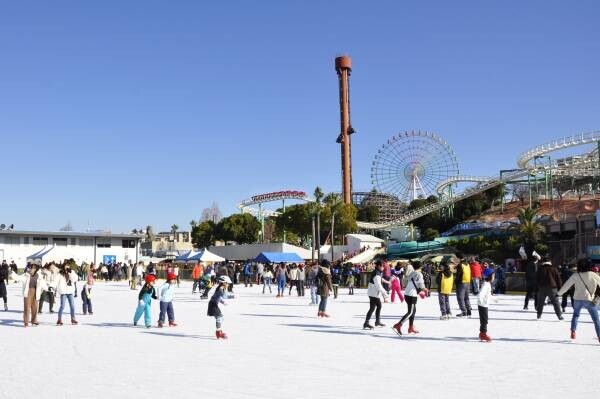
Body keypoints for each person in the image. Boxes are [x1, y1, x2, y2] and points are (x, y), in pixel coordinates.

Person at [557, 259, 600, 342]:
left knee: (576, 315)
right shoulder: (593, 275)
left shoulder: (576, 275)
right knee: (596, 319)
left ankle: (573, 330)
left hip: (577, 299)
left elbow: (566, 285)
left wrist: (559, 293)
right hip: (589, 299)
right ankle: (599, 336)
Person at [392, 262, 428, 335]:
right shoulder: (419, 274)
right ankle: (398, 325)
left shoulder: (412, 273)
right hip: (412, 295)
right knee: (410, 312)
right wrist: (425, 289)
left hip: (407, 294)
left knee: (413, 311)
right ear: (420, 267)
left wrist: (420, 291)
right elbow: (421, 284)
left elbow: (414, 283)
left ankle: (410, 327)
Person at [11, 262, 47, 326]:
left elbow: (43, 283)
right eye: (30, 268)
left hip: (36, 292)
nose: (31, 269)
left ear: (36, 269)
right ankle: (26, 321)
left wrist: (47, 288)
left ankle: (34, 320)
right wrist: (12, 273)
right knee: (27, 307)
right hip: (28, 292)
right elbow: (18, 278)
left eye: (33, 268)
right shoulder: (26, 275)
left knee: (35, 307)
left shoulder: (39, 276)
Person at [363, 260, 389, 329]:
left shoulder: (377, 272)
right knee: (375, 307)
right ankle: (368, 322)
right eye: (382, 266)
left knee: (375, 307)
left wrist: (386, 281)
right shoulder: (377, 273)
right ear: (378, 266)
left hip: (372, 292)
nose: (383, 268)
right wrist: (385, 293)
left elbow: (380, 279)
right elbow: (378, 285)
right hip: (373, 293)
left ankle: (373, 321)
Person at [208, 275, 231, 339]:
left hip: (213, 304)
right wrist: (226, 290)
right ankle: (218, 333)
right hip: (213, 305)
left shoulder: (220, 288)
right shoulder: (220, 289)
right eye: (227, 283)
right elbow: (224, 296)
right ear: (224, 283)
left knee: (221, 318)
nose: (228, 285)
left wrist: (222, 302)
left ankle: (219, 331)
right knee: (219, 318)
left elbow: (218, 297)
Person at [477, 268, 497, 342]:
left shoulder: (487, 284)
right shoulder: (486, 285)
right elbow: (480, 295)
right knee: (484, 320)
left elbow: (488, 295)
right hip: (483, 305)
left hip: (484, 304)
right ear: (489, 276)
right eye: (493, 276)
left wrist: (494, 299)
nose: (494, 277)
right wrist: (481, 302)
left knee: (484, 320)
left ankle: (482, 333)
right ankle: (483, 334)